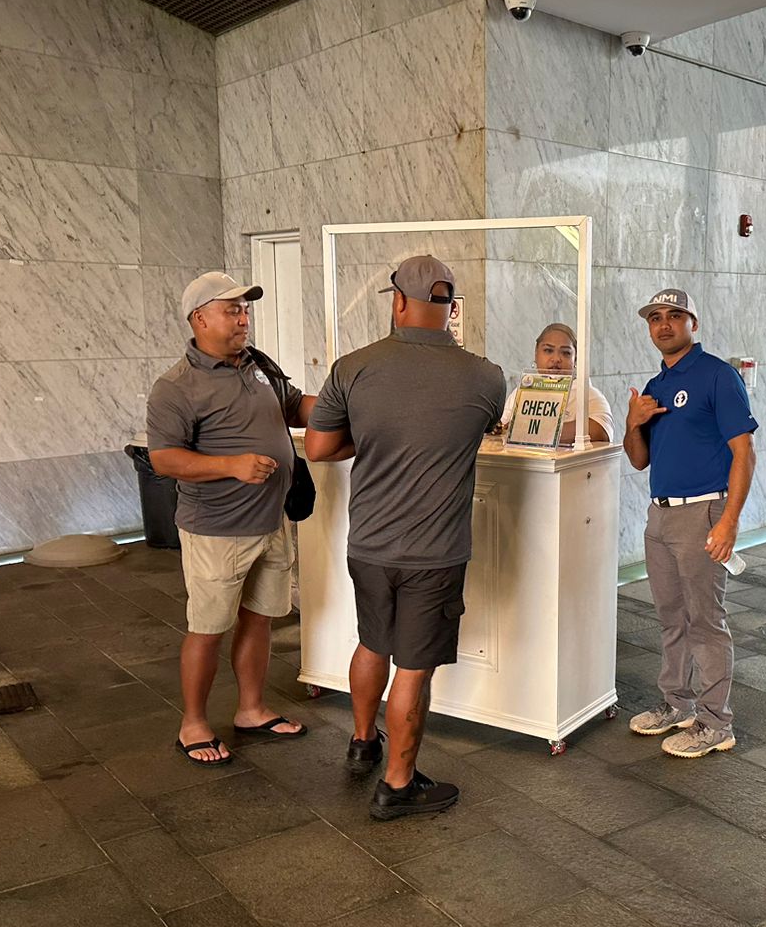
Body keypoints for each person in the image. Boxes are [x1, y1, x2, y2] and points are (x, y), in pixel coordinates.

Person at [305, 256, 504, 819]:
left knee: (372, 643)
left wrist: (370, 438)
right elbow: (479, 428)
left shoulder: (353, 367)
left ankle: (363, 742)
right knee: (413, 669)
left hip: (369, 544)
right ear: (451, 308)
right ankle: (397, 785)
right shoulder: (485, 376)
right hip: (434, 554)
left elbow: (318, 448)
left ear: (397, 301)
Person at [147, 272, 313, 766]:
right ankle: (193, 723)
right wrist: (231, 465)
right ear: (199, 319)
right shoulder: (176, 387)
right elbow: (164, 459)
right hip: (217, 529)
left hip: (271, 521)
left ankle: (251, 709)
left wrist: (347, 404)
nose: (243, 319)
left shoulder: (258, 366)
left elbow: (295, 406)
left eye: (245, 310)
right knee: (208, 627)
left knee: (259, 619)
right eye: (232, 310)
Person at [623, 288, 758, 758]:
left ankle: (716, 723)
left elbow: (744, 452)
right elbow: (638, 460)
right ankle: (677, 704)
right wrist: (633, 422)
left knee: (705, 621)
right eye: (655, 318)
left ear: (692, 323)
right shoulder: (655, 385)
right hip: (659, 513)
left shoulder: (717, 375)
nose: (663, 324)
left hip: (704, 511)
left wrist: (730, 522)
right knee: (670, 617)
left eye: (674, 315)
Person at [497, 323, 613, 443]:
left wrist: (532, 430)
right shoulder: (521, 392)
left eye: (566, 353)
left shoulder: (588, 395)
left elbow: (600, 431)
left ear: (575, 360)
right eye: (548, 350)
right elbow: (503, 431)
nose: (556, 359)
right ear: (536, 354)